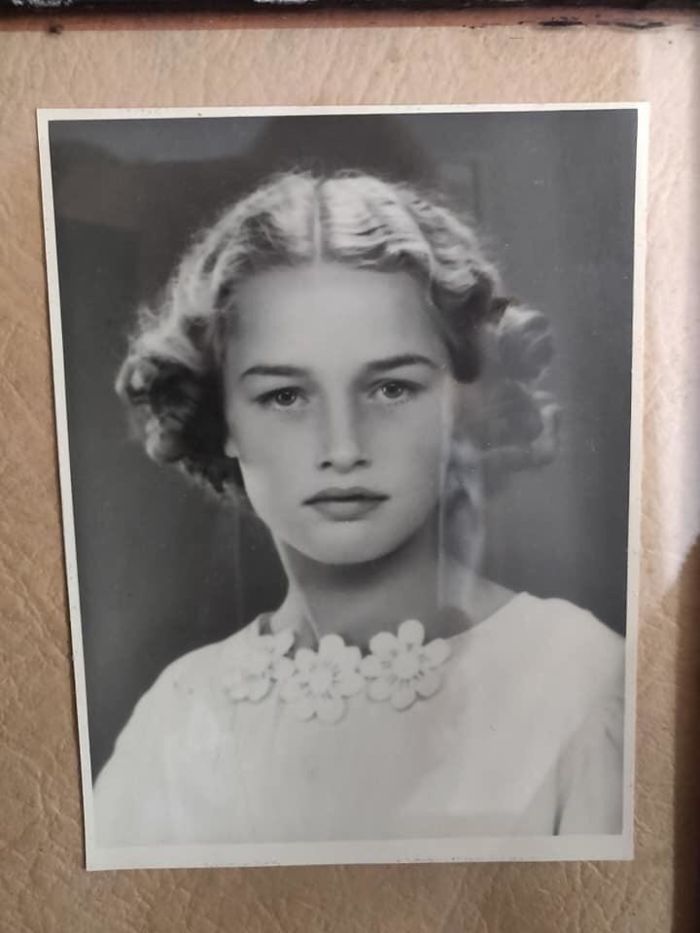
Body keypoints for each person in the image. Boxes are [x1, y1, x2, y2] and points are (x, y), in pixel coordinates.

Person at [93, 170, 624, 847]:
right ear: (221, 415)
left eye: (391, 388)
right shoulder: (177, 716)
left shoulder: (580, 682)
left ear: (464, 400)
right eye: (286, 396)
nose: (342, 448)